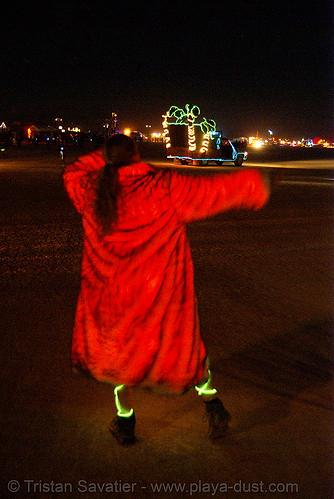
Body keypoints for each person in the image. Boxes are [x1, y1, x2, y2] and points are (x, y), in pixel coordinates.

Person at [63, 134, 270, 445]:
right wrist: (256, 184)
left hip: (114, 300)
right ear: (136, 154)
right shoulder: (162, 185)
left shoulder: (90, 190)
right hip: (160, 296)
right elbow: (214, 191)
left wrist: (105, 158)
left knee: (118, 361)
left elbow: (72, 171)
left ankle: (125, 423)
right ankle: (214, 407)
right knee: (185, 354)